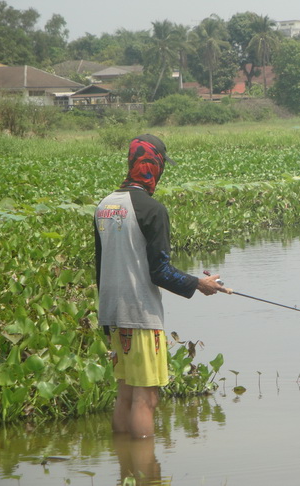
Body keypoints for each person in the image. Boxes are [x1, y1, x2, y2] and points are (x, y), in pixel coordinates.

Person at [94, 134, 224, 439]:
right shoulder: (153, 210)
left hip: (112, 313)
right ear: (154, 166)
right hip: (140, 314)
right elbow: (160, 272)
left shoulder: (104, 205)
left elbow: (99, 267)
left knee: (125, 393)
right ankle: (144, 469)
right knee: (146, 398)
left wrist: (105, 318)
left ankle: (126, 468)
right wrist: (200, 284)